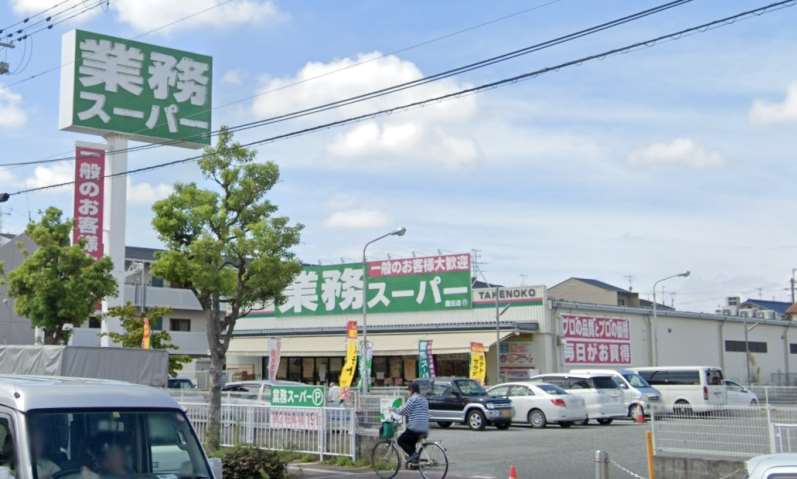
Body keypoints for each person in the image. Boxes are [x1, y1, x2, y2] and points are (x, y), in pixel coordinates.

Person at [394, 382, 429, 465]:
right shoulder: (424, 399)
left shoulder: (413, 398)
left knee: (400, 440)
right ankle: (414, 461)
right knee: (410, 442)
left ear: (412, 390)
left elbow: (403, 411)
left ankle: (413, 455)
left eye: (408, 390)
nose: (408, 392)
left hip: (415, 428)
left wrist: (393, 409)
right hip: (425, 429)